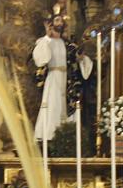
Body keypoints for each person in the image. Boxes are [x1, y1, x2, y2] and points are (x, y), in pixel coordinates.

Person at [32, 10, 92, 143]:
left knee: (68, 105)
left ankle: (68, 136)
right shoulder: (44, 41)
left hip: (68, 80)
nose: (60, 23)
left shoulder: (68, 44)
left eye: (61, 20)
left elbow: (78, 58)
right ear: (51, 23)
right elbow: (41, 60)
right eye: (57, 20)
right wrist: (47, 37)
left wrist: (81, 59)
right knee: (53, 105)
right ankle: (50, 136)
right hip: (53, 78)